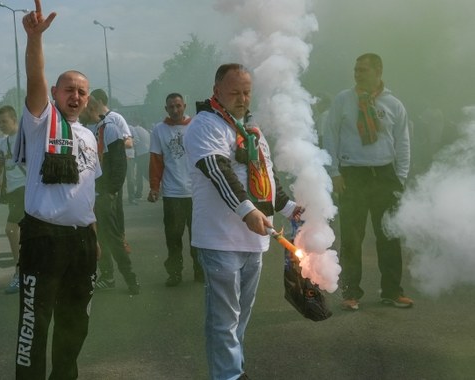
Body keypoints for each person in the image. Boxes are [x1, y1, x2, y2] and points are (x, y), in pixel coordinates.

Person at [184, 63, 300, 380]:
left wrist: (292, 209)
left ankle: (234, 369)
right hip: (219, 238)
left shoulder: (252, 132)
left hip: (255, 240)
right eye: (234, 92)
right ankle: (228, 376)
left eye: (247, 92)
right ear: (217, 90)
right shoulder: (205, 125)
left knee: (241, 315)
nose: (242, 98)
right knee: (224, 317)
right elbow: (217, 171)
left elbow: (267, 180)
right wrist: (247, 211)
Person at [14, 1, 102, 378]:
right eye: (69, 90)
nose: (76, 97)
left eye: (82, 92)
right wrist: (34, 40)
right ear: (55, 92)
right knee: (35, 325)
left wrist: (94, 236)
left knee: (75, 322)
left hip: (81, 240)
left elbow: (87, 194)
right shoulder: (42, 122)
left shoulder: (88, 135)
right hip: (44, 239)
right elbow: (35, 79)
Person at [322, 53, 413, 311]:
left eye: (363, 70)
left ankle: (392, 292)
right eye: (356, 70)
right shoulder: (343, 100)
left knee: (389, 235)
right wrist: (334, 172)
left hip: (385, 175)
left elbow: (403, 144)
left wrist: (401, 179)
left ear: (378, 72)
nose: (357, 74)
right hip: (352, 175)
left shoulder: (394, 104)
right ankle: (351, 293)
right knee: (351, 237)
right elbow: (330, 137)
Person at [85, 96, 140, 295]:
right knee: (96, 238)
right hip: (91, 195)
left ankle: (131, 279)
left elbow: (119, 164)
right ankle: (107, 277)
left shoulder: (109, 128)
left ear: (90, 107)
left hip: (105, 194)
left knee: (113, 237)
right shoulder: (90, 129)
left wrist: (112, 191)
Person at [148, 93, 202, 286]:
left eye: (178, 106)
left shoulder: (196, 126)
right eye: (171, 107)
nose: (175, 110)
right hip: (173, 194)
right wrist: (155, 187)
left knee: (199, 237)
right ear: (166, 109)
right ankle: (175, 273)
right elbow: (156, 161)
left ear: (184, 106)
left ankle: (200, 270)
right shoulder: (159, 130)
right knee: (173, 237)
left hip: (197, 193)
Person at [0, 105, 26, 294]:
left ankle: (19, 273)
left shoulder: (26, 137)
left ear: (14, 120)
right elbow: (0, 163)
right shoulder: (3, 143)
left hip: (27, 190)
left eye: (4, 121)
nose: (1, 125)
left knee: (11, 229)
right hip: (13, 192)